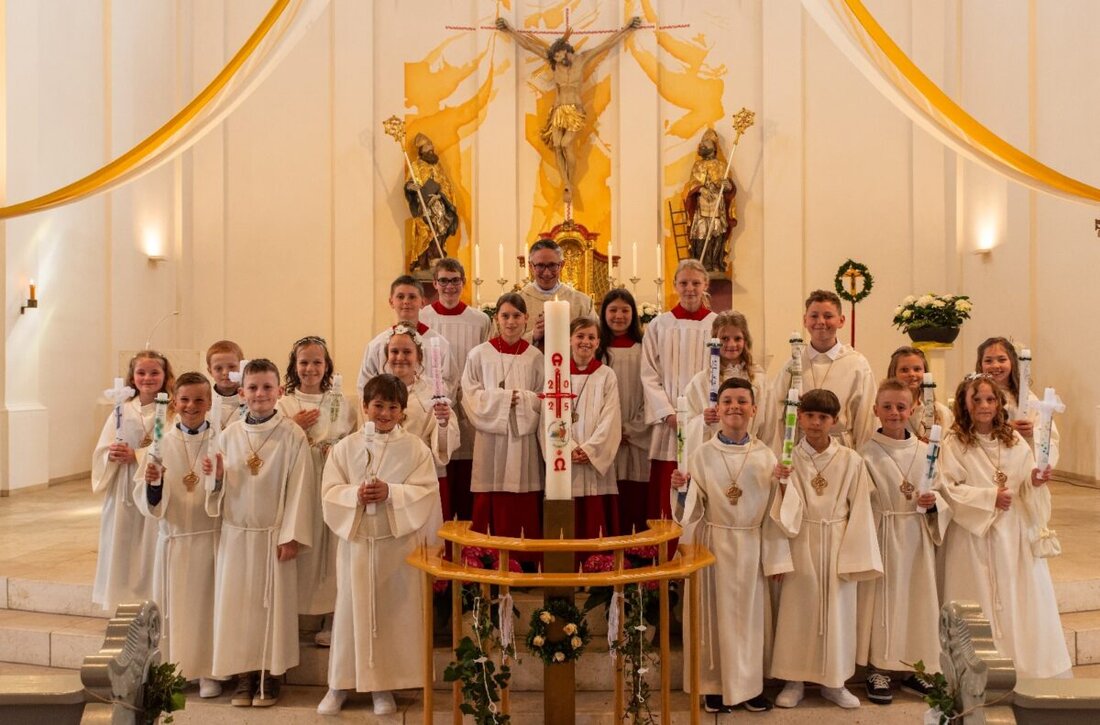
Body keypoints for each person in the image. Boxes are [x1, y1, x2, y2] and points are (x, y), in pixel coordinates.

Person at [316, 374, 442, 716]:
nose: (384, 414)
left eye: (392, 407)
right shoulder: (346, 447)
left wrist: (393, 493)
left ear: (402, 412)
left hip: (396, 546)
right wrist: (353, 495)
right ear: (365, 405)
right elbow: (328, 492)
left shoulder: (415, 448)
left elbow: (427, 491)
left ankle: (382, 688)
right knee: (349, 616)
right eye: (378, 406)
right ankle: (338, 685)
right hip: (358, 543)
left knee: (389, 618)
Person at [670, 377, 791, 714]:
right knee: (712, 616)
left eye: (742, 401)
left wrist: (784, 487)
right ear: (717, 409)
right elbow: (689, 511)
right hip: (714, 545)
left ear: (754, 409)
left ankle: (750, 688)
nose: (735, 407)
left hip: (752, 543)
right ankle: (713, 686)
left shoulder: (767, 457)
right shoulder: (702, 454)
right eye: (727, 401)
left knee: (750, 621)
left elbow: (774, 514)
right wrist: (679, 488)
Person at [937, 375, 1071, 679]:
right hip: (973, 535)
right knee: (979, 600)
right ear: (965, 404)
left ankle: (1024, 666)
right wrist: (988, 498)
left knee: (1017, 598)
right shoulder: (954, 442)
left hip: (1013, 535)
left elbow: (1025, 481)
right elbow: (947, 486)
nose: (984, 405)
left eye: (990, 399)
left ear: (999, 403)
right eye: (977, 399)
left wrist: (1034, 482)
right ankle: (974, 673)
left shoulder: (1012, 439)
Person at [203, 359, 314, 708]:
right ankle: (243, 675)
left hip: (273, 535)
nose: (260, 394)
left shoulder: (291, 434)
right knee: (238, 607)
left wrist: (291, 534)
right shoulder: (228, 435)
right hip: (236, 534)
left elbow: (301, 487)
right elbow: (215, 487)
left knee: (272, 607)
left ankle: (270, 673)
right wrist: (217, 479)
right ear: (241, 393)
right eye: (253, 388)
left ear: (280, 392)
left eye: (267, 387)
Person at [769, 389, 882, 709]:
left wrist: (856, 556)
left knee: (838, 612)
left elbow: (860, 508)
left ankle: (835, 682)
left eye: (823, 417)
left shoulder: (850, 460)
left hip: (837, 539)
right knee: (797, 611)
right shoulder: (787, 458)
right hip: (800, 538)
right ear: (799, 417)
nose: (815, 423)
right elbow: (776, 510)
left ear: (835, 421)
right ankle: (794, 680)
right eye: (809, 415)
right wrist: (780, 483)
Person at [856, 378, 948, 704]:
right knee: (882, 602)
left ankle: (914, 669)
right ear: (875, 411)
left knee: (917, 600)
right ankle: (878, 668)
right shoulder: (865, 454)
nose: (894, 413)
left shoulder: (927, 451)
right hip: (882, 534)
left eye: (900, 407)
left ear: (911, 409)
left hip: (917, 534)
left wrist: (934, 503)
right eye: (887, 407)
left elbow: (941, 491)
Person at [133, 372, 221, 697]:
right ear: (174, 402)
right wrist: (154, 482)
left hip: (210, 538)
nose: (191, 406)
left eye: (199, 399)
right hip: (174, 541)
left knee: (208, 609)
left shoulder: (221, 442)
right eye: (184, 399)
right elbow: (148, 501)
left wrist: (220, 479)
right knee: (175, 610)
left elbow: (230, 491)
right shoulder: (161, 444)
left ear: (210, 402)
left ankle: (209, 672)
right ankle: (175, 668)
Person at [495, 15, 642, 204]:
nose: (556, 59)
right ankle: (566, 184)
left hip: (574, 110)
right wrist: (509, 29)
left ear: (566, 50)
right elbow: (528, 45)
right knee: (557, 146)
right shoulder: (555, 64)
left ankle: (569, 182)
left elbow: (607, 44)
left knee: (566, 144)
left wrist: (628, 28)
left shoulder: (582, 59)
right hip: (558, 110)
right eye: (554, 57)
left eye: (558, 55)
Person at [277, 336, 358, 648]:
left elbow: (351, 440)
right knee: (300, 544)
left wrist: (336, 449)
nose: (310, 368)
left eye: (317, 362)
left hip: (331, 482)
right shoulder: (284, 404)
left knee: (333, 550)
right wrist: (293, 427)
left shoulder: (340, 403)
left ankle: (332, 616)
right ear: (294, 366)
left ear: (327, 367)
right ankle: (292, 616)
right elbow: (270, 444)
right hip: (298, 485)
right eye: (304, 362)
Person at [461, 293, 544, 557]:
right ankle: (488, 559)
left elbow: (544, 396)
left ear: (526, 319)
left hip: (523, 439)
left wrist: (524, 399)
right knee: (490, 491)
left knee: (523, 493)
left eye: (516, 316)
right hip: (491, 439)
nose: (510, 322)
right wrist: (504, 399)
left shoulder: (535, 356)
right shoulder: (479, 354)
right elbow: (469, 394)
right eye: (505, 316)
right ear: (496, 318)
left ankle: (525, 560)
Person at [91, 350, 173, 610]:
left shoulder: (171, 410)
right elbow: (102, 448)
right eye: (141, 372)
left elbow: (172, 447)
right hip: (124, 487)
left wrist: (137, 455)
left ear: (165, 375)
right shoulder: (122, 409)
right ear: (132, 377)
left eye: (154, 372)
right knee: (122, 542)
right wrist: (111, 454)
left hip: (153, 482)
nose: (147, 378)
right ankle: (120, 599)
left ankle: (153, 598)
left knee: (151, 542)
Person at [640, 259, 717, 519]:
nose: (690, 289)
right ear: (675, 286)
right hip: (669, 424)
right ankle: (664, 550)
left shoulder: (717, 325)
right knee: (667, 491)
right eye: (684, 283)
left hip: (708, 422)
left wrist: (705, 416)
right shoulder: (659, 325)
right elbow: (649, 373)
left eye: (696, 283)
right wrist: (668, 414)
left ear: (705, 284)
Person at [419, 257, 491, 520]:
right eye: (444, 281)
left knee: (468, 467)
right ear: (435, 283)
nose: (450, 286)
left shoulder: (480, 320)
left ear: (463, 282)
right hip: (432, 405)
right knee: (439, 461)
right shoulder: (422, 316)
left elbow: (485, 360)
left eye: (455, 280)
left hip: (469, 403)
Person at [770, 289, 876, 451]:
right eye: (814, 316)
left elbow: (866, 417)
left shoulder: (856, 364)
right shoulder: (793, 365)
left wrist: (863, 459)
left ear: (841, 320)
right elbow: (776, 414)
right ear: (805, 320)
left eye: (828, 316)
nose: (820, 321)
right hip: (800, 448)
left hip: (841, 450)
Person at [382, 325, 459, 517]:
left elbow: (444, 441)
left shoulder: (433, 391)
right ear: (387, 356)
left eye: (407, 351)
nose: (400, 357)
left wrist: (443, 423)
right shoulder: (377, 389)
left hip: (424, 474)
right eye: (394, 351)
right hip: (388, 475)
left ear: (419, 357)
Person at [557, 317, 621, 539]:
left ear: (598, 343)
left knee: (595, 521)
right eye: (580, 336)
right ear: (569, 339)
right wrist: (567, 448)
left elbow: (611, 417)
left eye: (591, 337)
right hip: (565, 458)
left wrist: (591, 450)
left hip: (595, 462)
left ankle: (597, 564)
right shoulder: (557, 373)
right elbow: (549, 416)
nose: (585, 341)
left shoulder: (606, 375)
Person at [598, 289, 651, 534]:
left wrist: (631, 429)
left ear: (634, 314)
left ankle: (636, 552)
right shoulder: (595, 350)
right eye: (613, 310)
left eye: (625, 310)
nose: (619, 316)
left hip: (635, 436)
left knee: (634, 494)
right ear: (603, 313)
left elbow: (650, 392)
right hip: (603, 436)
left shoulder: (644, 350)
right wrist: (608, 432)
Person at [683, 311, 772, 453]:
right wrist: (703, 421)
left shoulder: (759, 380)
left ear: (746, 341)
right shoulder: (700, 382)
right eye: (724, 338)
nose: (731, 344)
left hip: (751, 453)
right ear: (714, 341)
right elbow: (684, 425)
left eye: (737, 338)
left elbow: (769, 426)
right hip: (712, 455)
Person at [356, 275, 457, 397]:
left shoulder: (439, 344)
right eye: (400, 296)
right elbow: (365, 385)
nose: (406, 301)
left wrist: (426, 402)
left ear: (423, 302)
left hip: (426, 411)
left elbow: (449, 383)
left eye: (412, 297)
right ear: (391, 302)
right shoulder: (377, 344)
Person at [975, 336, 1060, 468]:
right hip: (984, 465)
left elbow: (1047, 431)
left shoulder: (1027, 398)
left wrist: (1032, 432)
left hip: (1019, 464)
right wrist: (1007, 428)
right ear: (980, 364)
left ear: (1012, 362)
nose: (995, 365)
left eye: (1002, 359)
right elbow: (967, 427)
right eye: (988, 361)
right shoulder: (973, 396)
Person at [519, 239, 594, 345]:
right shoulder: (517, 303)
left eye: (552, 265)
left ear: (562, 265)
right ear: (531, 266)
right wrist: (533, 335)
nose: (547, 273)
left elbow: (594, 340)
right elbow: (502, 344)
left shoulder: (583, 303)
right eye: (540, 266)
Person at [683, 129, 737, 271]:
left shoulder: (721, 166)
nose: (702, 146)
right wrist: (701, 189)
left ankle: (715, 263)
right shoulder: (698, 165)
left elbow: (728, 188)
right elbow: (692, 183)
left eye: (706, 144)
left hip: (717, 207)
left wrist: (728, 186)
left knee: (717, 233)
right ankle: (701, 265)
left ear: (714, 147)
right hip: (702, 208)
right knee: (701, 234)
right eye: (701, 144)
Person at [405, 133, 458, 271]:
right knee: (426, 232)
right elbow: (409, 183)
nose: (431, 148)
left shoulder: (438, 166)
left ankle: (437, 257)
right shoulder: (415, 166)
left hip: (439, 205)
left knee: (441, 228)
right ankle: (426, 260)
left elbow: (446, 185)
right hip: (424, 206)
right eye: (427, 146)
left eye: (431, 145)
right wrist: (411, 187)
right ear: (421, 150)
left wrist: (440, 196)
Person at [885, 346, 953, 440]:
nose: (912, 374)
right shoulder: (885, 411)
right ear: (894, 373)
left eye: (917, 369)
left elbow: (948, 445)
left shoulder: (940, 412)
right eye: (904, 370)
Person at [206, 340, 246, 427]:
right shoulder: (203, 401)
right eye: (218, 368)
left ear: (242, 367)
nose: (225, 372)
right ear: (210, 371)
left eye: (232, 367)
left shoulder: (251, 400)